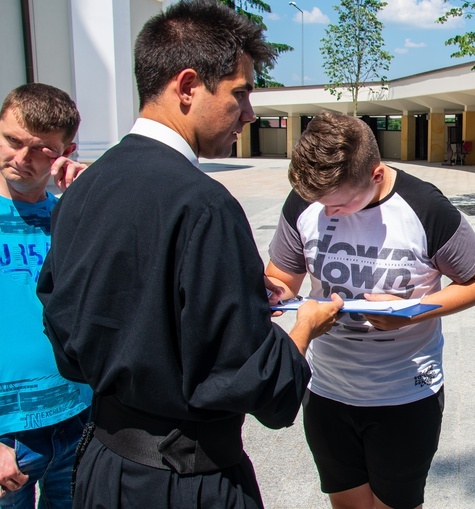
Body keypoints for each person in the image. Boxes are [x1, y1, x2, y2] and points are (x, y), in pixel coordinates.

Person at [35, 1, 342, 508]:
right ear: (187, 86)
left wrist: (239, 292)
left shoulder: (85, 189)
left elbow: (69, 326)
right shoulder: (205, 204)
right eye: (240, 93)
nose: (249, 113)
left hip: (102, 470)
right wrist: (304, 325)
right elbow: (250, 380)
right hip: (184, 481)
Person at [265, 111, 475, 509]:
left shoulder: (425, 207)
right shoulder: (307, 199)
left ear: (375, 175)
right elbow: (283, 278)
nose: (327, 214)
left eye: (338, 204)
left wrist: (413, 309)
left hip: (404, 398)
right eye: (320, 204)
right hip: (327, 393)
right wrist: (273, 293)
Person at [0, 83, 89, 508]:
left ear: (66, 150)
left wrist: (96, 198)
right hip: (6, 439)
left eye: (41, 149)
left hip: (77, 420)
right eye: (12, 141)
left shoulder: (70, 216)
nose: (21, 158)